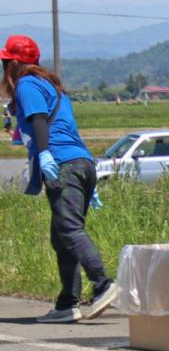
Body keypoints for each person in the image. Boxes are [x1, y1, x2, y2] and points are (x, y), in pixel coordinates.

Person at [1, 35, 118, 324]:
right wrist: (85, 176)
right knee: (61, 236)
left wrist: (44, 154)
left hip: (62, 162)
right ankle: (68, 302)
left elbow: (40, 120)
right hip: (80, 162)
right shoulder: (53, 86)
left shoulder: (27, 84)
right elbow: (68, 127)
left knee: (68, 229)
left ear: (13, 63)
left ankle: (103, 284)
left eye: (4, 62)